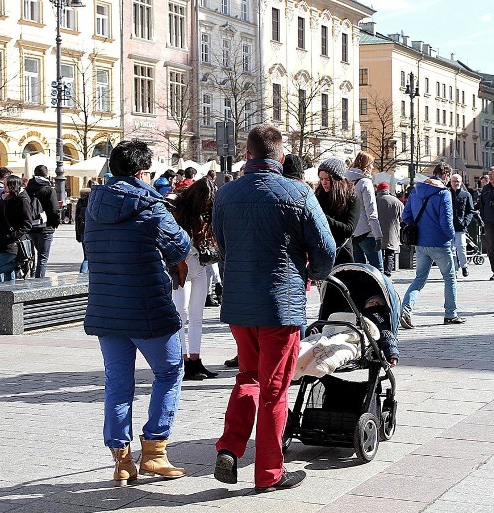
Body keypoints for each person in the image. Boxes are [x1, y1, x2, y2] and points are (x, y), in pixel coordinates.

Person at [212, 124, 335, 493]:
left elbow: (221, 245)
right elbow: (326, 249)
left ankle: (231, 447)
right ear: (280, 157)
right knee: (274, 388)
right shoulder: (299, 192)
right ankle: (268, 472)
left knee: (248, 376)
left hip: (239, 304)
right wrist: (310, 274)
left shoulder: (226, 193)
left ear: (247, 154)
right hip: (281, 305)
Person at [84, 140, 192, 485]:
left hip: (106, 308)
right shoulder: (150, 204)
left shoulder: (93, 204)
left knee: (117, 383)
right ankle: (155, 453)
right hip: (148, 308)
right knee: (169, 372)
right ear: (142, 172)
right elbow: (179, 245)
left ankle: (121, 461)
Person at [399, 162, 465, 328]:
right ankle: (451, 314)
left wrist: (421, 226)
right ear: (445, 175)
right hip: (440, 243)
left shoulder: (415, 191)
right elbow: (446, 222)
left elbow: (406, 216)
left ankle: (406, 308)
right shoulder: (443, 193)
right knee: (450, 277)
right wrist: (451, 238)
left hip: (421, 243)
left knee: (419, 278)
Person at [169, 177, 220, 381]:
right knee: (180, 314)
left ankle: (196, 360)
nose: (208, 205)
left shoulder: (206, 214)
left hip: (199, 266)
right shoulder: (177, 210)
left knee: (197, 315)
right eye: (206, 202)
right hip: (181, 268)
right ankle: (182, 361)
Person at [0, 175, 34, 282]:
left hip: (13, 243)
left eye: (5, 185)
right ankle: (11, 293)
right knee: (9, 276)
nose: (3, 187)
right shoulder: (8, 198)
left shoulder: (22, 200)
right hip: (2, 241)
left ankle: (18, 265)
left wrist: (12, 236)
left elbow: (27, 224)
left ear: (12, 185)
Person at [315, 158, 358, 265]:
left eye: (327, 179)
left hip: (342, 254)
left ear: (337, 179)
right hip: (321, 252)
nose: (324, 183)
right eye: (321, 179)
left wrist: (321, 217)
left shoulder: (351, 198)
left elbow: (349, 229)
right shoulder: (319, 196)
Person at [346, 151, 383, 271]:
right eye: (372, 164)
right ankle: (380, 290)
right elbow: (371, 212)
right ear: (366, 166)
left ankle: (360, 290)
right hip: (367, 232)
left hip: (352, 230)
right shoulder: (365, 183)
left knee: (358, 270)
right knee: (378, 270)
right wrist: (378, 235)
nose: (373, 167)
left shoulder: (347, 181)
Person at [25, 164, 60, 278]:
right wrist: (55, 224)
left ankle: (31, 275)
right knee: (43, 258)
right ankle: (39, 282)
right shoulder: (49, 190)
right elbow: (55, 210)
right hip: (46, 227)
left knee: (34, 254)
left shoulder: (27, 189)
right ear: (47, 174)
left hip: (31, 226)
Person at [448, 172, 474, 278]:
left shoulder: (466, 195)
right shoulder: (447, 194)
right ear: (450, 182)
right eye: (454, 181)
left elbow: (470, 211)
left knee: (461, 247)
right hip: (448, 226)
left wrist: (466, 222)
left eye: (458, 181)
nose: (456, 183)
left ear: (461, 182)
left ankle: (464, 266)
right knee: (451, 249)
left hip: (460, 226)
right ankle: (454, 269)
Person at [375, 181, 403, 276]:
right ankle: (387, 273)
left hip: (376, 232)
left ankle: (378, 273)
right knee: (389, 254)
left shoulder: (374, 201)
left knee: (377, 254)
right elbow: (403, 217)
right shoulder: (397, 201)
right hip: (392, 232)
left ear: (378, 190)